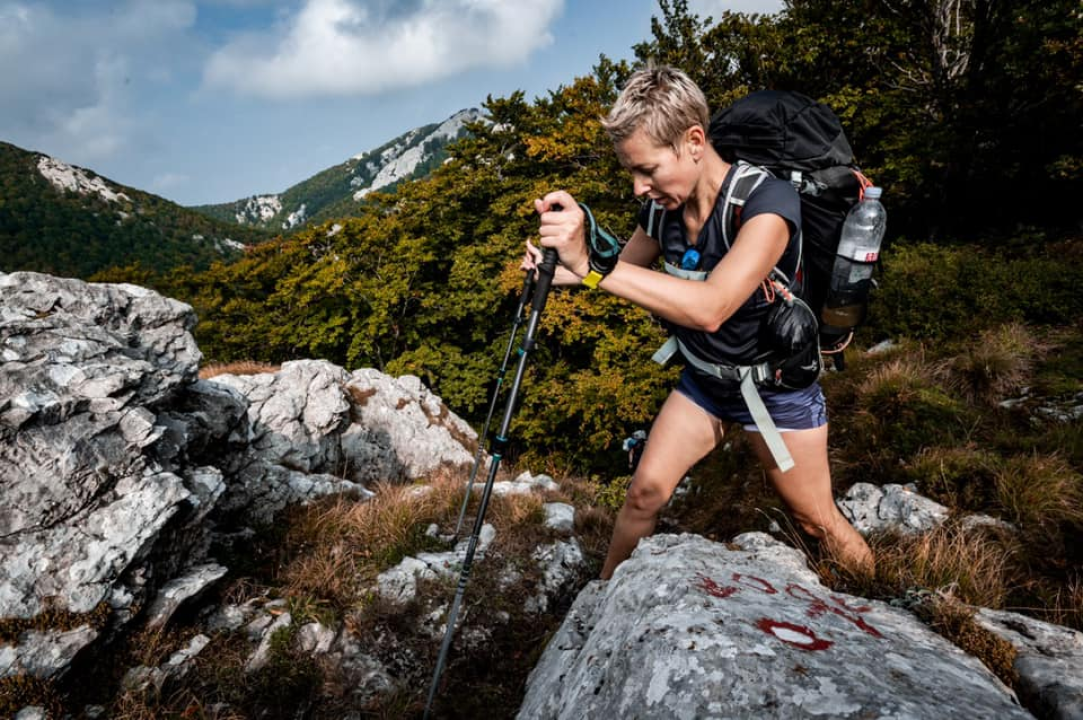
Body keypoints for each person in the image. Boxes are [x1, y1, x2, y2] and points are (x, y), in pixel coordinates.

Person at [523, 64, 873, 580]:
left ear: (692, 141)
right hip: (705, 381)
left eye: (648, 170)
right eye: (632, 172)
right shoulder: (662, 212)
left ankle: (883, 594)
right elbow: (618, 269)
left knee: (816, 520)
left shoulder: (767, 204)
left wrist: (591, 269)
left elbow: (711, 307)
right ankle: (599, 602)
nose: (639, 188)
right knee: (643, 496)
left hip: (774, 387)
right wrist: (557, 272)